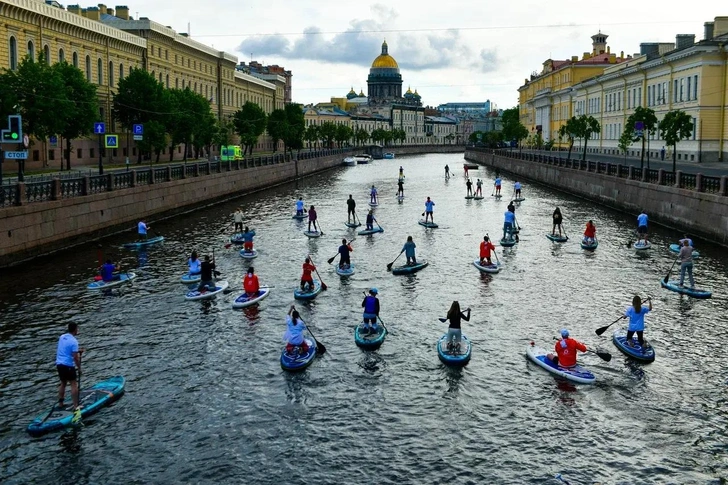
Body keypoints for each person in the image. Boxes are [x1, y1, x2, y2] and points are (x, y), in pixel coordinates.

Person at [56, 322, 83, 410]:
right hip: (68, 365)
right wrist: (79, 368)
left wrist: (78, 351)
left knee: (63, 383)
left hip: (59, 364)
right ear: (75, 329)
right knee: (73, 384)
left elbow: (66, 349)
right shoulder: (74, 341)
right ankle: (76, 406)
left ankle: (60, 403)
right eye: (77, 329)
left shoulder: (62, 337)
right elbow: (75, 357)